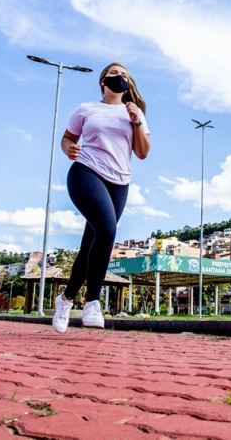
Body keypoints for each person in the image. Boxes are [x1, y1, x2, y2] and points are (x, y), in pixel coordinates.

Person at [52, 62, 150, 331]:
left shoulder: (135, 113)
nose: (120, 77)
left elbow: (142, 152)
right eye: (115, 74)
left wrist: (137, 120)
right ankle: (92, 302)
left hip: (119, 182)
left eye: (125, 75)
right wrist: (69, 149)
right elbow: (67, 139)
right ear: (103, 81)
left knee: (90, 245)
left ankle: (66, 299)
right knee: (107, 230)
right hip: (86, 172)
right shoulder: (86, 109)